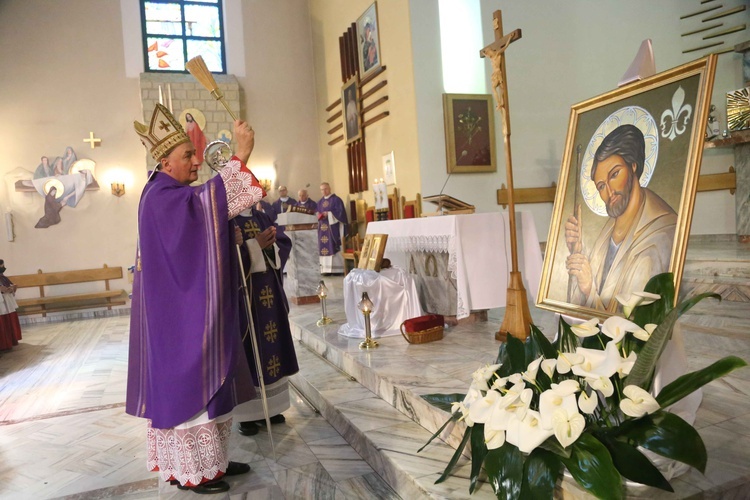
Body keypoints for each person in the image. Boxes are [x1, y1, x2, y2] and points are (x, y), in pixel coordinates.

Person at [127, 104, 266, 494]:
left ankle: (212, 463)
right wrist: (240, 156)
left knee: (210, 388)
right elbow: (207, 203)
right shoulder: (160, 196)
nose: (195, 161)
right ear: (165, 161)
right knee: (191, 389)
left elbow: (209, 207)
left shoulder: (168, 191)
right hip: (180, 318)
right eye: (188, 155)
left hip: (186, 308)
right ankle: (194, 471)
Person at [565, 124, 677, 313]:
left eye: (615, 175)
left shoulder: (659, 236)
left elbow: (634, 322)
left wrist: (589, 290)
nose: (609, 192)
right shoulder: (607, 231)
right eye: (601, 186)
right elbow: (575, 308)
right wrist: (577, 252)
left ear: (633, 165)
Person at [232, 205, 299, 437]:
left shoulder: (263, 216)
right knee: (249, 350)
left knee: (272, 349)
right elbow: (227, 259)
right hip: (245, 298)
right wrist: (254, 246)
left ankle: (271, 408)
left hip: (268, 295)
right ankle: (247, 415)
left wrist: (268, 248)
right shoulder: (227, 220)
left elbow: (282, 243)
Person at [316, 182, 348, 274]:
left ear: (330, 188)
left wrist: (329, 214)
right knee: (322, 246)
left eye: (325, 189)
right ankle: (325, 270)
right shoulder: (319, 202)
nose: (324, 191)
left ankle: (337, 269)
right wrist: (318, 214)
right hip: (322, 229)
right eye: (322, 189)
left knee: (332, 245)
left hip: (333, 228)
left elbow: (341, 213)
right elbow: (317, 212)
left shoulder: (336, 200)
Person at [0, 260, 22, 351]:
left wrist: (12, 288)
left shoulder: (3, 277)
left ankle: (10, 340)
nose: (3, 267)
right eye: (1, 266)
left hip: (7, 300)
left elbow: (9, 285)